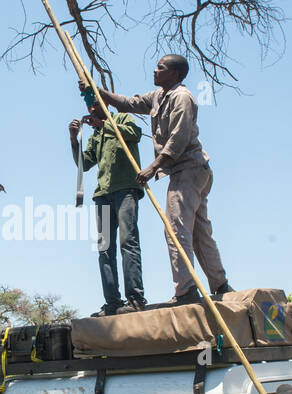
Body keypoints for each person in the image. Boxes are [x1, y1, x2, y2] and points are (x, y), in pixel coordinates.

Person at [88, 55, 232, 304]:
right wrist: (96, 90)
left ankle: (185, 290)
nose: (155, 71)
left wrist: (152, 167)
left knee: (176, 230)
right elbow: (129, 103)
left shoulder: (181, 97)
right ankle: (221, 284)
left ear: (175, 74)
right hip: (185, 171)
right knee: (199, 232)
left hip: (189, 169)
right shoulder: (158, 96)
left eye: (161, 68)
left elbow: (179, 138)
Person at [70, 106, 147, 316]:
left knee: (127, 241)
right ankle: (112, 302)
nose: (91, 110)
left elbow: (134, 135)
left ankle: (135, 298)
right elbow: (83, 164)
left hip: (125, 189)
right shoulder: (96, 135)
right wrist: (74, 139)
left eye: (95, 105)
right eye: (89, 107)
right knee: (104, 249)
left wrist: (105, 125)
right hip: (102, 194)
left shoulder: (122, 118)